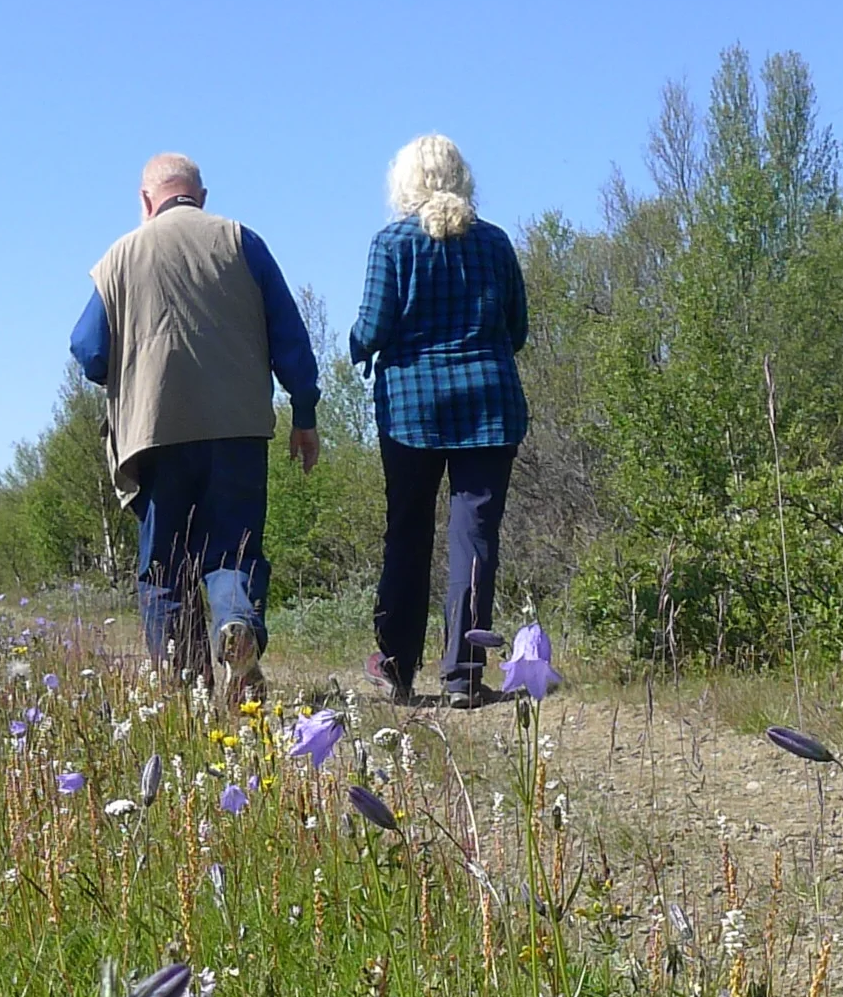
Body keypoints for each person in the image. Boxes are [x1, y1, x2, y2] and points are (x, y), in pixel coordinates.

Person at [71, 152, 321, 698]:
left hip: (155, 431)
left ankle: (188, 689)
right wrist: (305, 414)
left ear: (145, 201)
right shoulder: (240, 241)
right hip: (238, 427)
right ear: (201, 197)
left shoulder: (119, 256)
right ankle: (237, 627)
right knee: (233, 548)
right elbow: (291, 339)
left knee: (164, 567)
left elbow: (87, 350)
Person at [349, 135, 530, 707]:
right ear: (462, 177)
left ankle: (398, 666)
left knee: (408, 532)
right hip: (488, 403)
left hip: (411, 408)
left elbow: (372, 328)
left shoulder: (392, 244)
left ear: (405, 183)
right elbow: (517, 329)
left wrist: (356, 347)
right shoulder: (495, 244)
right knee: (474, 536)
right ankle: (464, 676)